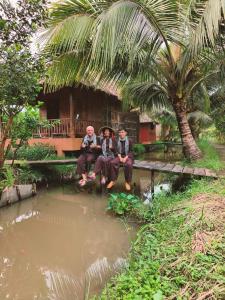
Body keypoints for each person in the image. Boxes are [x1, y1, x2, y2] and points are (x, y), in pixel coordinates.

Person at [107, 127, 134, 191]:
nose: (121, 133)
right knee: (112, 163)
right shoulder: (116, 140)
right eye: (119, 132)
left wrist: (125, 157)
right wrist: (120, 157)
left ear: (125, 133)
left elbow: (131, 151)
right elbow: (116, 150)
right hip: (119, 155)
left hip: (128, 156)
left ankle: (127, 182)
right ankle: (113, 180)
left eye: (122, 132)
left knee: (128, 164)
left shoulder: (130, 140)